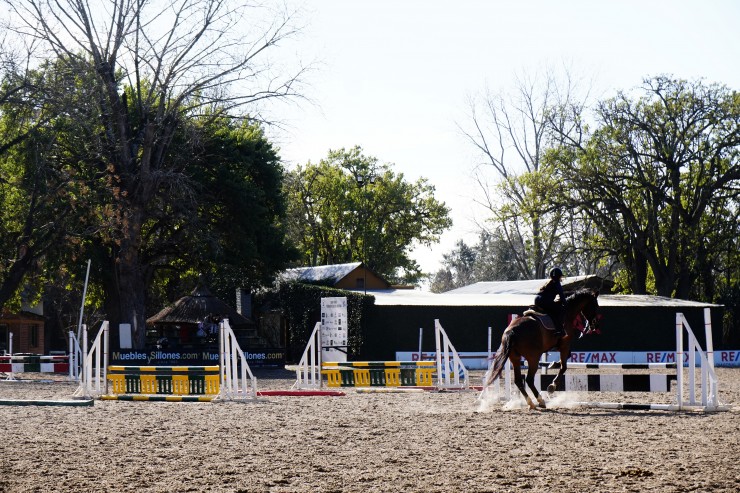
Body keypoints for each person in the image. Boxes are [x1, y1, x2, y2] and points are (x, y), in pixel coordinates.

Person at [535, 267, 566, 338]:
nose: (561, 278)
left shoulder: (549, 283)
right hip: (545, 301)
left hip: (537, 299)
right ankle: (559, 330)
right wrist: (566, 305)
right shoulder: (557, 284)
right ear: (558, 277)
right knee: (560, 310)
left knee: (550, 312)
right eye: (560, 276)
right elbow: (562, 297)